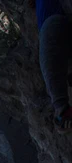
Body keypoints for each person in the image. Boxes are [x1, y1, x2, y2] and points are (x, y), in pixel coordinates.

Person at [31, 0, 72, 131]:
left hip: (52, 22)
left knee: (49, 61)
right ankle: (62, 109)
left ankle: (62, 109)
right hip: (53, 24)